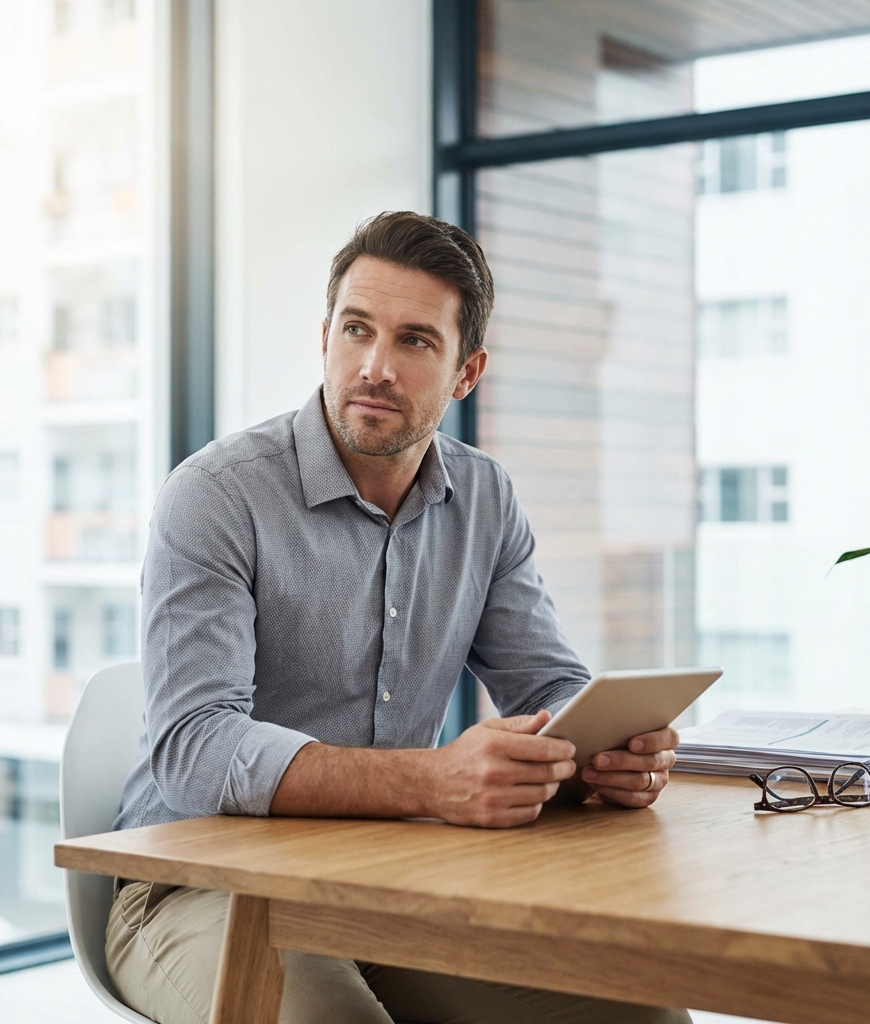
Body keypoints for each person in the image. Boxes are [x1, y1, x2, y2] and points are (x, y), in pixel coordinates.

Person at [106, 212, 688, 1024]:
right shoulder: (217, 494)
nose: (375, 367)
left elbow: (547, 685)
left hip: (387, 878)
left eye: (415, 340)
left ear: (466, 371)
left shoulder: (485, 498)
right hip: (198, 883)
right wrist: (434, 781)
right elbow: (194, 749)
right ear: (325, 337)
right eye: (357, 330)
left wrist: (608, 752)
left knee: (636, 1013)